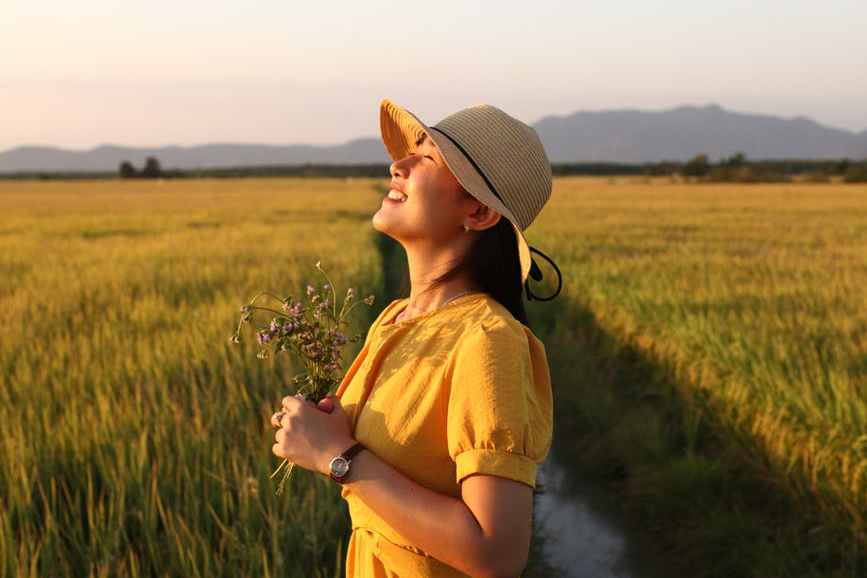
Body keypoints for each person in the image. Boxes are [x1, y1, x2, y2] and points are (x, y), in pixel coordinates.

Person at [269, 98, 563, 578]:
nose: (397, 163)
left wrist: (338, 457)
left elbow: (497, 553)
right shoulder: (395, 317)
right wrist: (327, 429)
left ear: (480, 212)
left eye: (426, 158)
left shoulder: (488, 340)